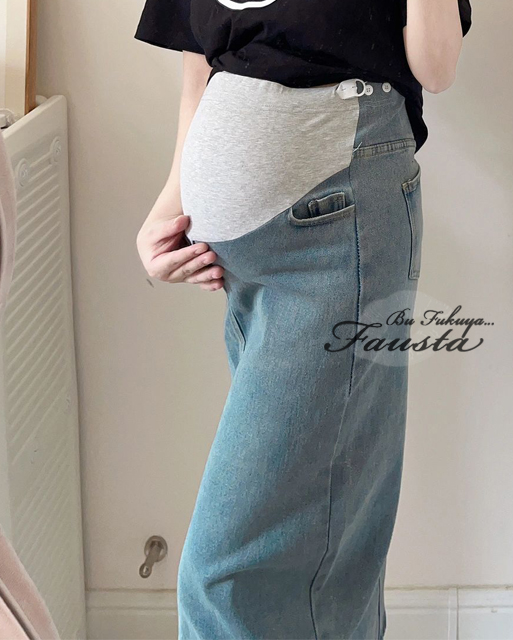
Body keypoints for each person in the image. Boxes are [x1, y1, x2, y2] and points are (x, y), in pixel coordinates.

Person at [134, 1, 471, 637]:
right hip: (242, 269)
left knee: (228, 577)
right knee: (319, 552)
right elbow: (201, 73)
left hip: (339, 237)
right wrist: (168, 207)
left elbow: (437, 67)